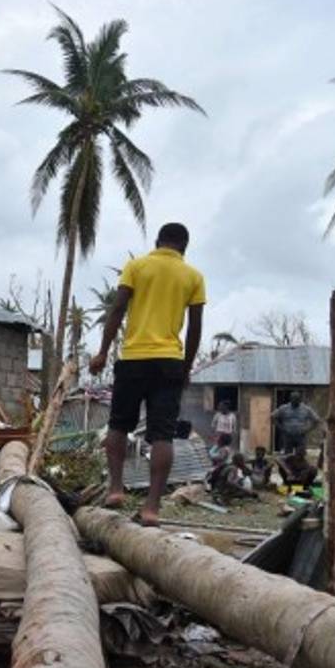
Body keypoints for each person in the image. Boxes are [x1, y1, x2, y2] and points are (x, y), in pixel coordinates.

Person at [89, 222, 205, 526]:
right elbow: (195, 327)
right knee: (162, 435)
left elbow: (117, 310)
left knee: (118, 425)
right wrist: (186, 366)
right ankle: (152, 507)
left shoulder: (136, 266)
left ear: (157, 241)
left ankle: (116, 489)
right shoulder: (193, 276)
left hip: (133, 359)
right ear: (184, 247)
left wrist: (102, 352)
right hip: (169, 362)